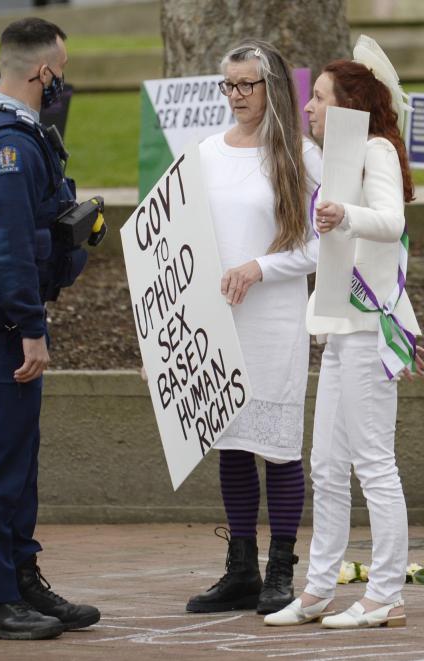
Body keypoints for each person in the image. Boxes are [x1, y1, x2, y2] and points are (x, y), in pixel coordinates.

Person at [0, 17, 100, 640]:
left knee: (17, 458)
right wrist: (31, 329)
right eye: (62, 67)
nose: (65, 77)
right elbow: (7, 249)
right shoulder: (10, 146)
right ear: (44, 72)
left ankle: (19, 579)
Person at [265, 35, 422, 629]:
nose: (308, 106)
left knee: (374, 463)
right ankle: (319, 588)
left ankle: (386, 594)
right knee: (326, 466)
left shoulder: (376, 150)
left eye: (320, 97)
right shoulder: (335, 159)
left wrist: (344, 215)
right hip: (337, 330)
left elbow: (390, 221)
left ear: (349, 104)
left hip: (369, 330)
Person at [185, 40, 322, 615]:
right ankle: (239, 568)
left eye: (247, 85)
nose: (237, 96)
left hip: (274, 318)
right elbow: (180, 244)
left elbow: (322, 248)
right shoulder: (204, 152)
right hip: (219, 320)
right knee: (233, 445)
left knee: (279, 448)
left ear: (271, 88)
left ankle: (279, 570)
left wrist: (259, 267)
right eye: (229, 85)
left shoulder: (300, 156)